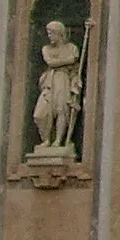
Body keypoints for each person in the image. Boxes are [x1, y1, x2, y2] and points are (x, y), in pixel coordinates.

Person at [31, 20, 83, 155]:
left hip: (64, 79)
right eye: (48, 33)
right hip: (50, 80)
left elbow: (75, 63)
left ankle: (58, 141)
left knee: (62, 110)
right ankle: (46, 139)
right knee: (40, 114)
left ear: (60, 34)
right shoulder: (46, 49)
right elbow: (50, 62)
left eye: (51, 33)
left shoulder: (71, 47)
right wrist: (69, 60)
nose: (49, 36)